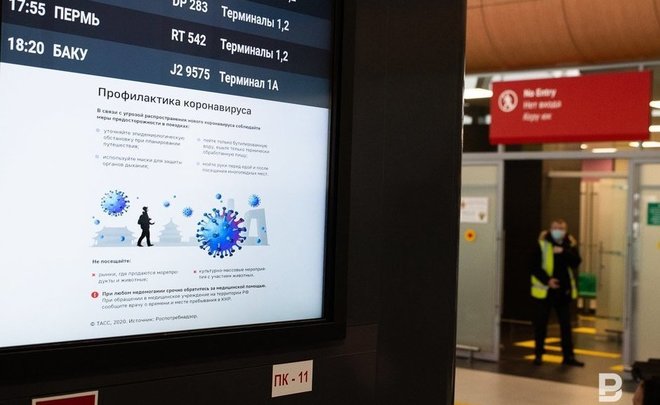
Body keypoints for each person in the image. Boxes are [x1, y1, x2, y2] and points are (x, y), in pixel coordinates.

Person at [530, 219, 584, 366]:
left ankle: (568, 356)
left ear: (565, 230)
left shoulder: (569, 244)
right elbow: (533, 266)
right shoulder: (542, 244)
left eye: (561, 228)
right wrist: (548, 280)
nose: (557, 231)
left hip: (563, 291)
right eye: (555, 228)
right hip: (545, 291)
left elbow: (576, 262)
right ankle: (538, 355)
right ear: (550, 229)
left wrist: (563, 252)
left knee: (566, 326)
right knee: (541, 325)